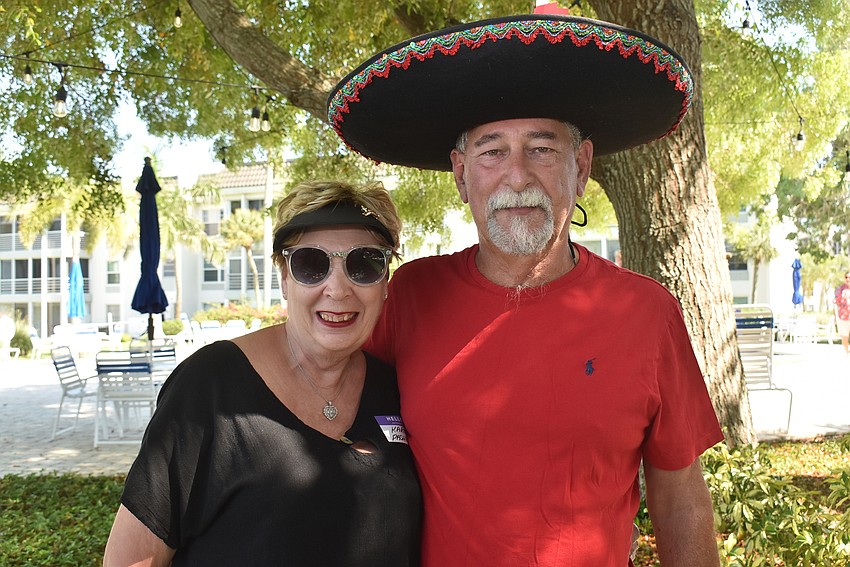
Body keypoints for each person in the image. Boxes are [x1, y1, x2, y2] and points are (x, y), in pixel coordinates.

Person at [328, 11, 724, 567]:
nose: (517, 176)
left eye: (542, 149)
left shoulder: (647, 312)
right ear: (462, 174)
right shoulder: (408, 297)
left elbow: (678, 489)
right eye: (492, 151)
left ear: (581, 166)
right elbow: (318, 400)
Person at [103, 180, 422, 566]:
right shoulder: (209, 387)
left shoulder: (396, 386)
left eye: (365, 263)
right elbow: (133, 559)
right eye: (311, 264)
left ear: (385, 281)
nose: (337, 289)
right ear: (284, 277)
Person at [835, 271, 850, 355]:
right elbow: (836, 301)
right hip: (843, 316)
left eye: (849, 277)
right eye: (846, 277)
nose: (848, 279)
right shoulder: (841, 289)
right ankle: (847, 351)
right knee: (844, 336)